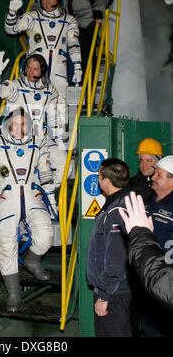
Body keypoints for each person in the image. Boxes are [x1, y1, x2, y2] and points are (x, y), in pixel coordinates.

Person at [0, 107, 54, 313]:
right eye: (15, 123)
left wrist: (46, 171)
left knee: (46, 234)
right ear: (8, 125)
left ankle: (33, 261)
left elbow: (45, 170)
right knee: (6, 247)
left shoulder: (37, 144)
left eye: (24, 124)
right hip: (6, 200)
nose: (19, 128)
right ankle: (14, 294)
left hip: (33, 198)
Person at [0, 50, 68, 213]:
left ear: (42, 70)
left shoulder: (50, 90)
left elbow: (53, 116)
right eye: (29, 68)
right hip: (16, 140)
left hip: (40, 138)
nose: (31, 72)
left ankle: (47, 194)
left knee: (64, 164)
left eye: (36, 69)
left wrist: (57, 138)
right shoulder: (14, 86)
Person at [4, 0, 82, 104]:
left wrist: (77, 67)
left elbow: (74, 45)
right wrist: (12, 13)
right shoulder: (32, 17)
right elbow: (11, 30)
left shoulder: (69, 21)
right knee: (30, 102)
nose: (47, 2)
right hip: (34, 68)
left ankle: (59, 122)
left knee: (60, 103)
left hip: (59, 69)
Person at [86, 158, 132, 337]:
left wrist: (104, 296)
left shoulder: (117, 211)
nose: (98, 180)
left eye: (99, 176)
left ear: (106, 180)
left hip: (114, 292)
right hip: (115, 289)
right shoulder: (119, 204)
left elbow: (117, 259)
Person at [119, 191, 173, 312]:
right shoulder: (151, 201)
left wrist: (141, 234)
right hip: (148, 279)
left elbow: (163, 283)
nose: (154, 177)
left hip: (157, 272)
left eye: (159, 175)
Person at [129, 137, 163, 202]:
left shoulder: (165, 185)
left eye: (149, 161)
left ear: (158, 162)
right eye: (141, 160)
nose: (144, 165)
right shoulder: (130, 183)